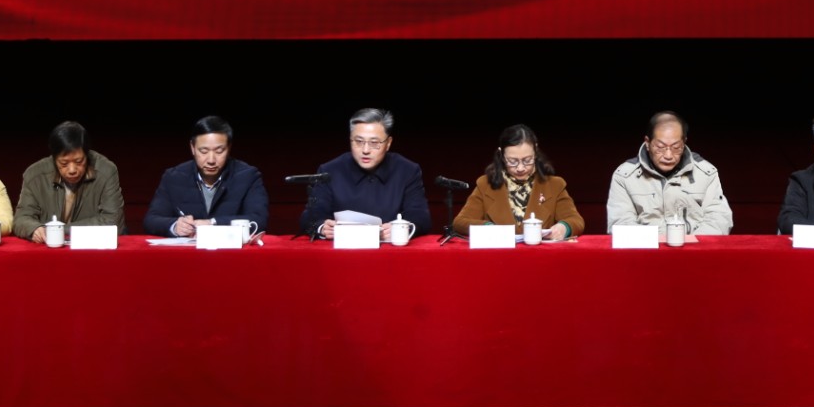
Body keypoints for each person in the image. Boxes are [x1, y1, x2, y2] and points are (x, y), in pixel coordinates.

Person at [298, 108, 431, 242]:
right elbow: (310, 216)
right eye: (359, 141)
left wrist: (402, 228)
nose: (365, 150)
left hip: (389, 249)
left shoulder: (407, 170)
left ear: (388, 143)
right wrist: (322, 227)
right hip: (344, 248)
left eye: (374, 143)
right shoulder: (329, 170)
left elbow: (420, 216)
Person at [606, 111, 732, 234]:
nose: (668, 155)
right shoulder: (624, 176)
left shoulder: (706, 173)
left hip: (694, 245)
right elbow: (621, 224)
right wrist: (656, 243)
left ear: (684, 142)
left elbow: (718, 219)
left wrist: (690, 243)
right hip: (646, 246)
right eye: (660, 147)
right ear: (647, 143)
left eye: (676, 147)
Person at [143, 116, 269, 236]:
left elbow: (259, 220)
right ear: (192, 148)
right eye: (203, 151)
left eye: (219, 151)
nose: (211, 160)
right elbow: (151, 220)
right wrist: (175, 226)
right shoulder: (174, 177)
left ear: (229, 148)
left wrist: (212, 223)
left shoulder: (248, 176)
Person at [452, 124, 582, 239]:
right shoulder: (485, 184)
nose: (520, 168)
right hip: (499, 256)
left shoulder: (554, 185)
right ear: (501, 155)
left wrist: (563, 227)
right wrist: (488, 228)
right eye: (512, 161)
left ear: (536, 151)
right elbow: (460, 222)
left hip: (540, 255)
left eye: (527, 160)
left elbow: (575, 220)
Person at [15, 121, 125, 242]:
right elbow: (21, 218)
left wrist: (59, 230)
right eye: (64, 163)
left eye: (79, 161)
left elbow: (113, 221)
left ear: (87, 154)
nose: (72, 170)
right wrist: (34, 228)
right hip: (49, 246)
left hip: (90, 245)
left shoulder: (106, 171)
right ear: (54, 158)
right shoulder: (35, 175)